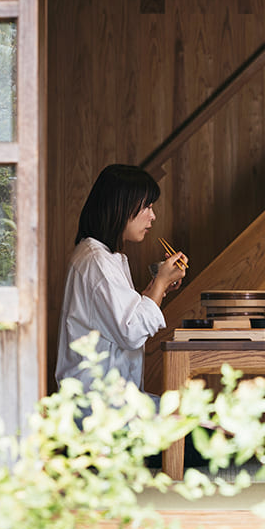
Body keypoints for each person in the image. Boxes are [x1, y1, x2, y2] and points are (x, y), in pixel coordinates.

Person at [55, 163, 187, 394]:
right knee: (195, 424)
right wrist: (160, 282)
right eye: (147, 206)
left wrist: (160, 289)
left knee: (191, 420)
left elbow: (120, 319)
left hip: (108, 399)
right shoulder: (97, 261)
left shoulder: (104, 256)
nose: (153, 216)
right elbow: (132, 332)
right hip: (98, 406)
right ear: (121, 206)